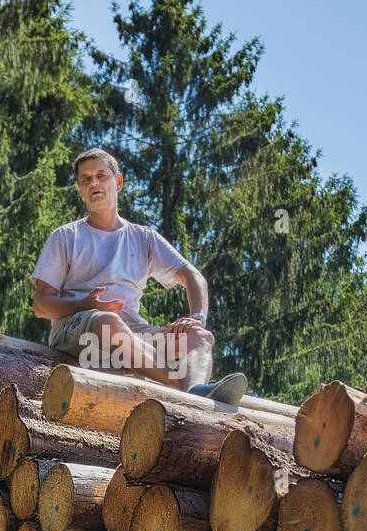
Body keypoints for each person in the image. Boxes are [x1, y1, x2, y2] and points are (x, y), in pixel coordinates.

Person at [30, 148, 247, 404]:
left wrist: (196, 318)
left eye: (101, 175)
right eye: (86, 179)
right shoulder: (66, 236)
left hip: (131, 334)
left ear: (118, 182)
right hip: (76, 329)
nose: (94, 183)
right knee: (108, 321)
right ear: (79, 189)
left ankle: (195, 392)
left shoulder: (143, 238)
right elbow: (41, 305)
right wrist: (85, 304)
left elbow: (193, 276)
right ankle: (183, 388)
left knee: (199, 337)